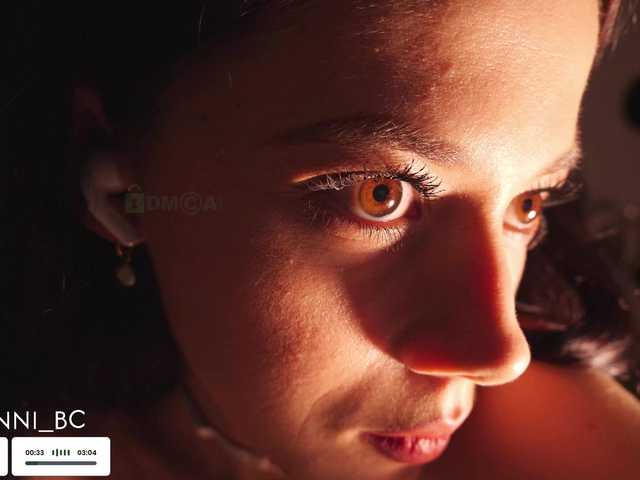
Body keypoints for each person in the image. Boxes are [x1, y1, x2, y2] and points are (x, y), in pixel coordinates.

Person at [4, 1, 640, 479]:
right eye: (380, 195)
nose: (499, 356)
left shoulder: (564, 449)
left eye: (528, 203)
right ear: (120, 190)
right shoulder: (44, 445)